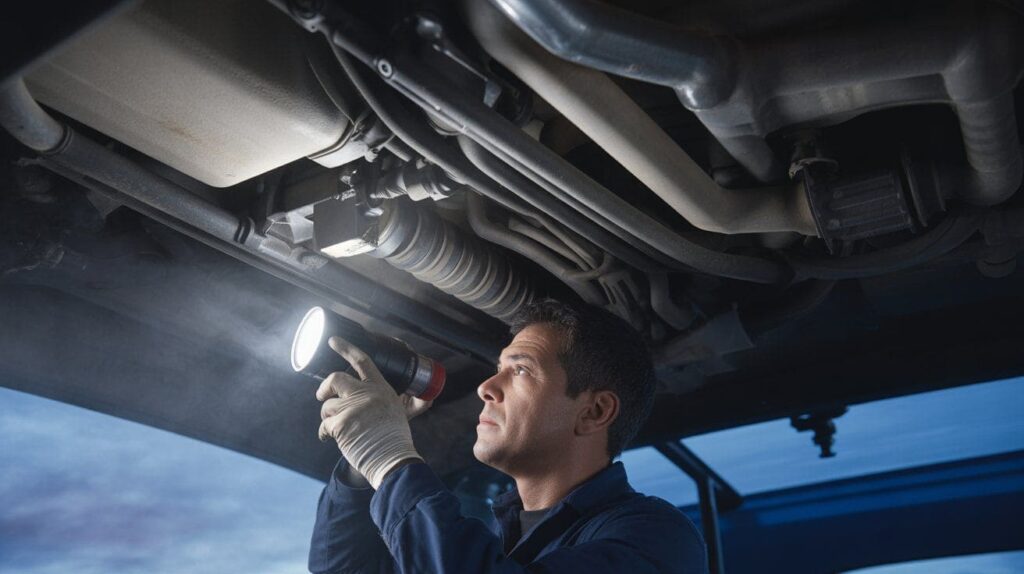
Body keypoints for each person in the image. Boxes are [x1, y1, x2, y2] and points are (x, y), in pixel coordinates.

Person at [309, 299, 708, 573]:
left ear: (595, 411)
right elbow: (344, 567)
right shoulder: (498, 545)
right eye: (499, 367)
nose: (486, 386)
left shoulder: (656, 539)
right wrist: (364, 464)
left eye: (520, 370)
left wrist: (389, 459)